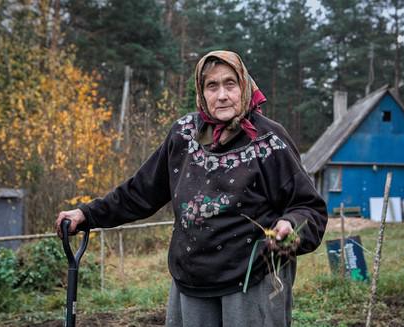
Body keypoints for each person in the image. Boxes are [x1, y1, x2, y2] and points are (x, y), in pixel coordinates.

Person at [56, 50, 327, 327]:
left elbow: (309, 207)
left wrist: (290, 225)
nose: (222, 95)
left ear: (244, 86)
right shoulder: (183, 134)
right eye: (212, 86)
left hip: (252, 282)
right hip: (191, 282)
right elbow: (140, 191)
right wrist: (87, 214)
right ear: (201, 91)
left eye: (230, 84)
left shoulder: (270, 141)